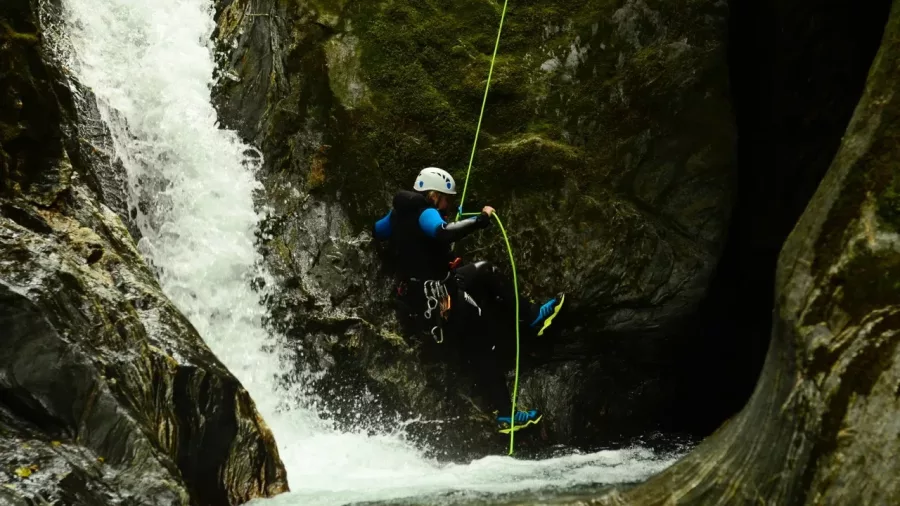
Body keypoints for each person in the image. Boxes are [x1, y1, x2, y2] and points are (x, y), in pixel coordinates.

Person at [372, 167, 565, 433]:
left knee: (486, 269)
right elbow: (442, 233)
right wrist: (479, 221)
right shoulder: (426, 211)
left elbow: (378, 231)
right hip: (440, 299)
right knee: (483, 337)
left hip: (422, 294)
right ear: (434, 195)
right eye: (446, 199)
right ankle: (506, 414)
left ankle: (531, 316)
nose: (448, 204)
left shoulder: (397, 213)